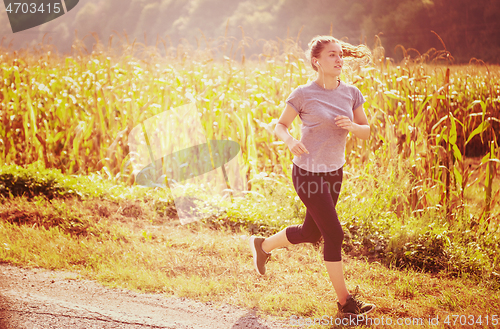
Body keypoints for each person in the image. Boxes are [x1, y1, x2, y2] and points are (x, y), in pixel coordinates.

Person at [249, 35, 375, 318]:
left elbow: (366, 131)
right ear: (317, 61)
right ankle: (346, 304)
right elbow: (280, 126)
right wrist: (291, 140)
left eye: (341, 54)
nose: (339, 59)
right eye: (332, 55)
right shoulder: (303, 93)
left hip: (334, 172)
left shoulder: (351, 93)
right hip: (307, 173)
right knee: (334, 233)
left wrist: (352, 126)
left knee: (311, 232)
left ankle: (263, 245)